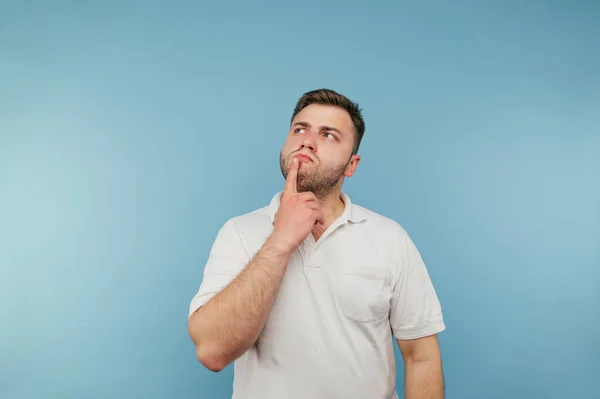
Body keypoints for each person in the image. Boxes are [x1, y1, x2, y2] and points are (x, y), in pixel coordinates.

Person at [187, 89, 446, 399]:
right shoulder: (240, 233)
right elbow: (212, 352)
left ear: (352, 165)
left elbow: (421, 357)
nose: (307, 141)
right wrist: (281, 239)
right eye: (300, 129)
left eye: (329, 135)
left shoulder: (390, 238)